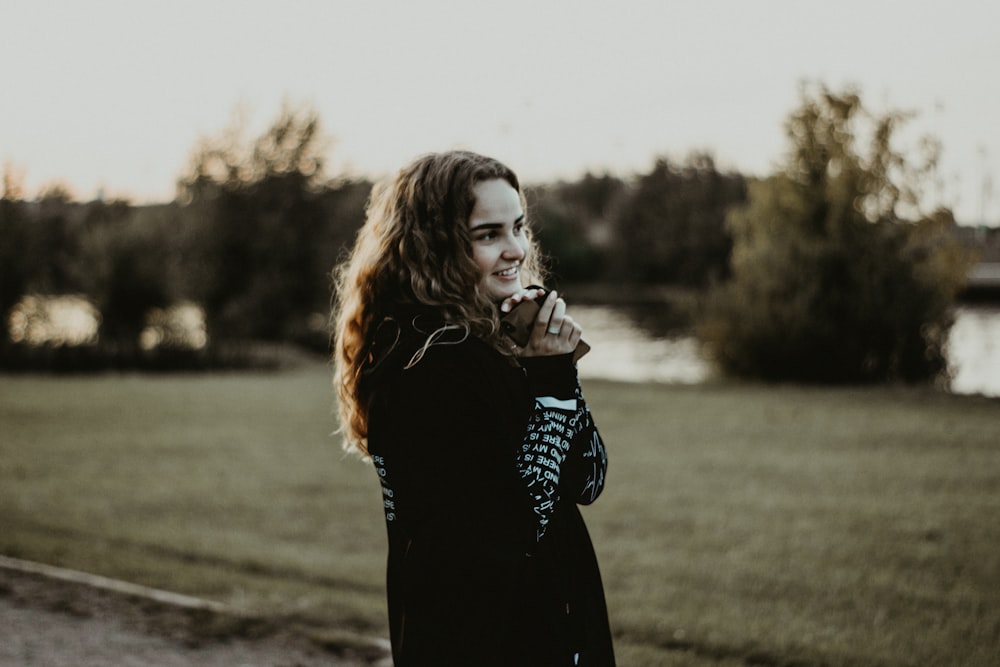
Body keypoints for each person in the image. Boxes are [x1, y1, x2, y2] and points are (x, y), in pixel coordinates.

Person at [332, 150, 615, 666]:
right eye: (489, 235)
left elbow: (588, 480)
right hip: (486, 641)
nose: (515, 250)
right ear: (432, 247)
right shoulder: (423, 364)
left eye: (519, 227)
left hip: (553, 626)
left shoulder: (498, 342)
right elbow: (517, 527)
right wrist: (550, 382)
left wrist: (556, 371)